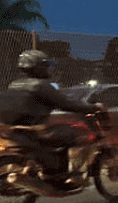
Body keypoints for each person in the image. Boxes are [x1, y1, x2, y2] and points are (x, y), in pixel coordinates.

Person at [6, 49, 99, 177]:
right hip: (37, 129)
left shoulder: (14, 84)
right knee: (76, 132)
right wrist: (92, 108)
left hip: (19, 129)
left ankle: (52, 168)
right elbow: (66, 104)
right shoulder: (42, 85)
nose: (48, 68)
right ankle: (68, 173)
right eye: (45, 65)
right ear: (37, 67)